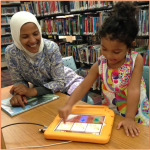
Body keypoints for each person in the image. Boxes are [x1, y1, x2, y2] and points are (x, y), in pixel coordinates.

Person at [59, 2, 149, 137]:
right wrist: (69, 104)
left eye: (116, 51)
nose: (109, 55)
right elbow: (83, 87)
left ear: (130, 47)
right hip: (111, 114)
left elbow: (134, 90)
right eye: (104, 49)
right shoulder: (100, 63)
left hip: (135, 115)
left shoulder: (136, 60)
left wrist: (129, 118)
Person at [5, 11, 86, 107]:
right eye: (25, 36)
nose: (32, 40)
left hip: (68, 84)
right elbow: (19, 80)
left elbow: (59, 83)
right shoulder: (11, 52)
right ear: (16, 36)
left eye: (35, 34)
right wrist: (19, 93)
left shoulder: (51, 47)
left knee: (71, 113)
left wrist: (31, 91)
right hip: (45, 91)